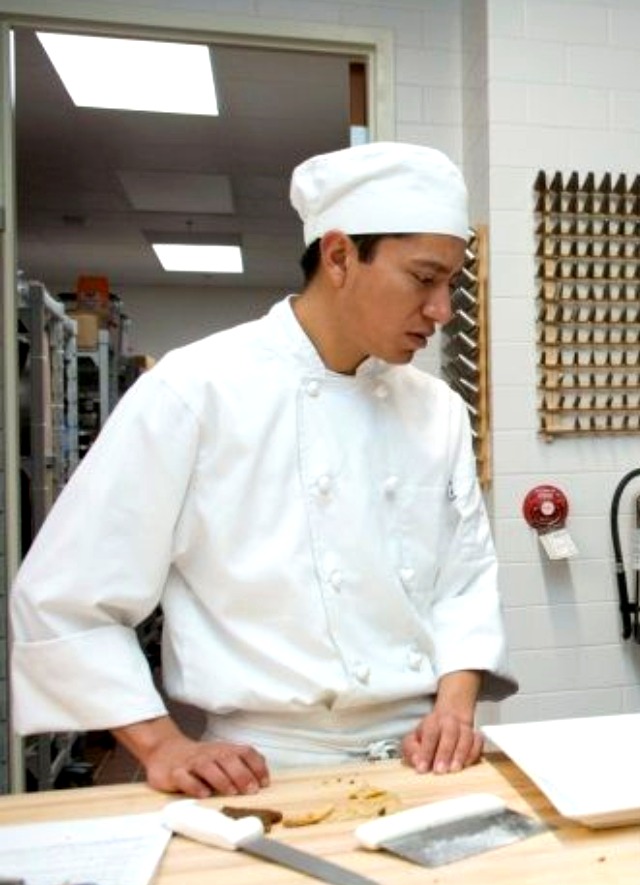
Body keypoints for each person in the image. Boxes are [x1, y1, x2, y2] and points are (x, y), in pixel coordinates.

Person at [9, 142, 517, 797]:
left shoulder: (437, 410)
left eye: (451, 284)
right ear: (338, 256)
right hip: (263, 772)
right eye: (423, 278)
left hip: (422, 763)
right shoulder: (197, 391)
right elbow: (64, 598)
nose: (443, 310)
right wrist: (162, 747)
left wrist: (453, 710)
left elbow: (464, 584)